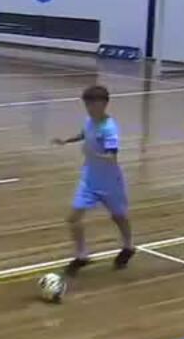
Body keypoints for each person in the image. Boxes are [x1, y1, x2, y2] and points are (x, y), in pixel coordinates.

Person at [52, 85, 135, 277]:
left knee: (119, 217)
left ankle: (128, 246)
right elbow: (84, 134)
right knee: (73, 218)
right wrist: (66, 140)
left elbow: (112, 157)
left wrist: (93, 153)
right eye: (87, 104)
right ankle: (82, 256)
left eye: (93, 104)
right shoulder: (90, 121)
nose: (89, 108)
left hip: (110, 182)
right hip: (89, 179)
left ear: (104, 104)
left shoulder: (109, 128)